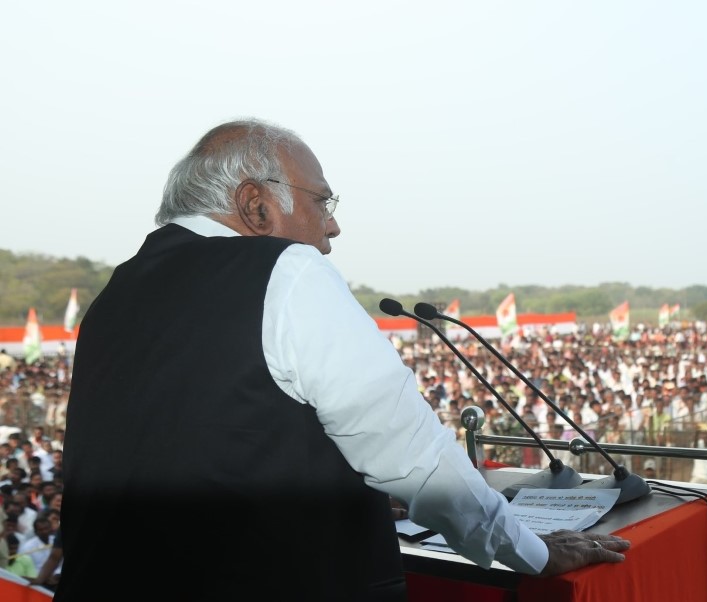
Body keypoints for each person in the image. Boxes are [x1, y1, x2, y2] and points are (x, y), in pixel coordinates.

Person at [58, 120, 628, 600]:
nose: (332, 226)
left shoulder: (116, 294)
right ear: (256, 206)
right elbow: (414, 459)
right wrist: (528, 552)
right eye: (321, 201)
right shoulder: (285, 270)